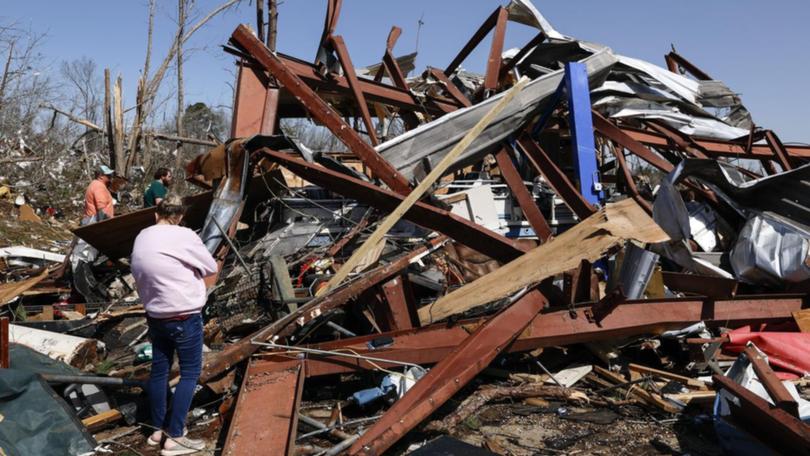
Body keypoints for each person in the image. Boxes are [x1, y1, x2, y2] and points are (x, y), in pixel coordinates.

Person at [131, 194, 217, 455]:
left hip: (156, 315)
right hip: (184, 314)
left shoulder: (143, 235)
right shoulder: (185, 235)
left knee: (160, 371)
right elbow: (210, 266)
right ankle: (175, 437)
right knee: (190, 374)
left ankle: (157, 431)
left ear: (156, 214)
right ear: (179, 216)